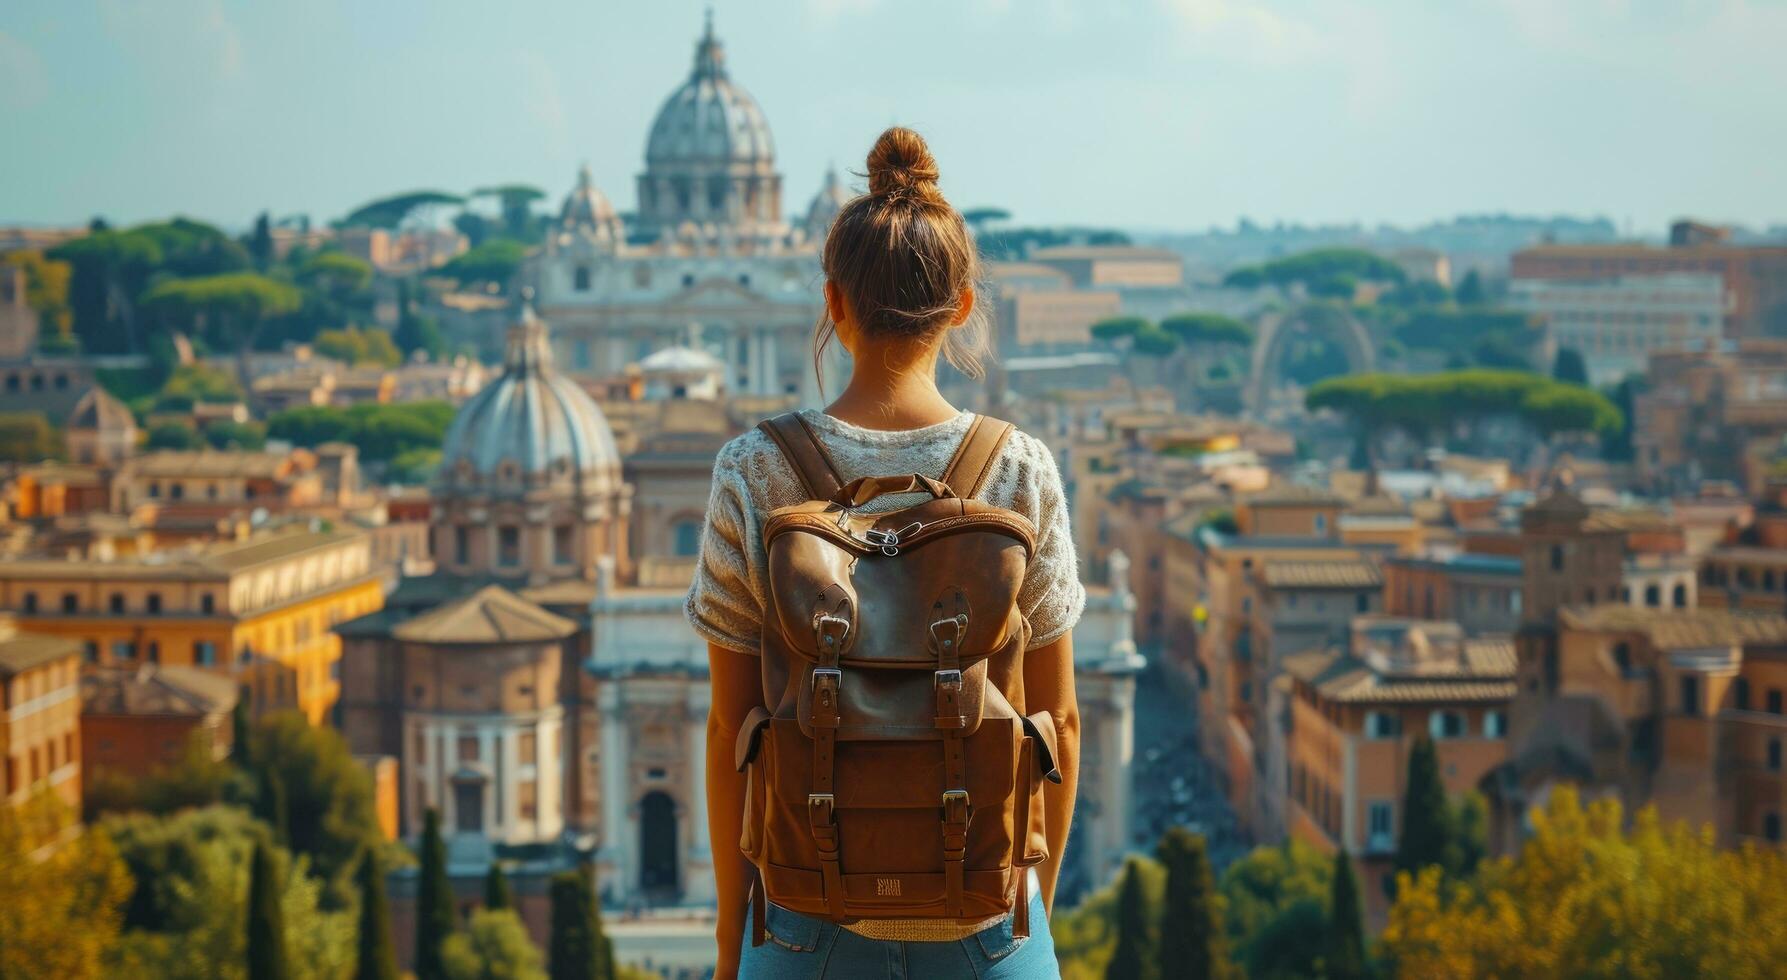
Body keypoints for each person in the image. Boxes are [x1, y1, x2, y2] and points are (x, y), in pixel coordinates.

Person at [685, 126, 1084, 979]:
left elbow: (732, 732)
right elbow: (1062, 724)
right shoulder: (1021, 467)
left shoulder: (752, 470)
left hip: (801, 925)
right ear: (963, 305)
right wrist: (1026, 904)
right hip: (990, 921)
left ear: (832, 303)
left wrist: (731, 941)